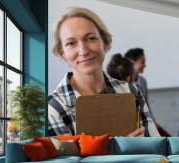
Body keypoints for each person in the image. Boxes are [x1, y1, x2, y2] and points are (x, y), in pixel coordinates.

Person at [48, 7, 159, 137]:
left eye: (90, 38)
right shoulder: (54, 108)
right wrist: (120, 148)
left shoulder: (130, 92)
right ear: (62, 54)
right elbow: (67, 158)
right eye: (71, 43)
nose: (83, 51)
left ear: (105, 42)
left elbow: (155, 149)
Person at [125, 48, 171, 137]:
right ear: (131, 62)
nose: (145, 65)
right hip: (135, 126)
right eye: (142, 62)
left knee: (168, 138)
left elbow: (146, 105)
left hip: (147, 122)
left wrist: (153, 122)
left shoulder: (143, 81)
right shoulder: (124, 83)